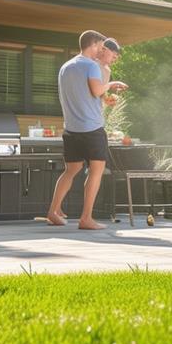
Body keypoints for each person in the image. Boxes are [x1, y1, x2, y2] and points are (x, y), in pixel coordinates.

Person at [47, 30, 127, 229]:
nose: (102, 49)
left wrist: (103, 96)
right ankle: (86, 218)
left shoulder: (65, 67)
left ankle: (53, 212)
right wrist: (112, 84)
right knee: (96, 171)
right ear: (93, 45)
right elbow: (97, 90)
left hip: (71, 129)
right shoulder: (91, 65)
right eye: (101, 46)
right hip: (91, 128)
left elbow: (86, 94)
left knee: (71, 170)